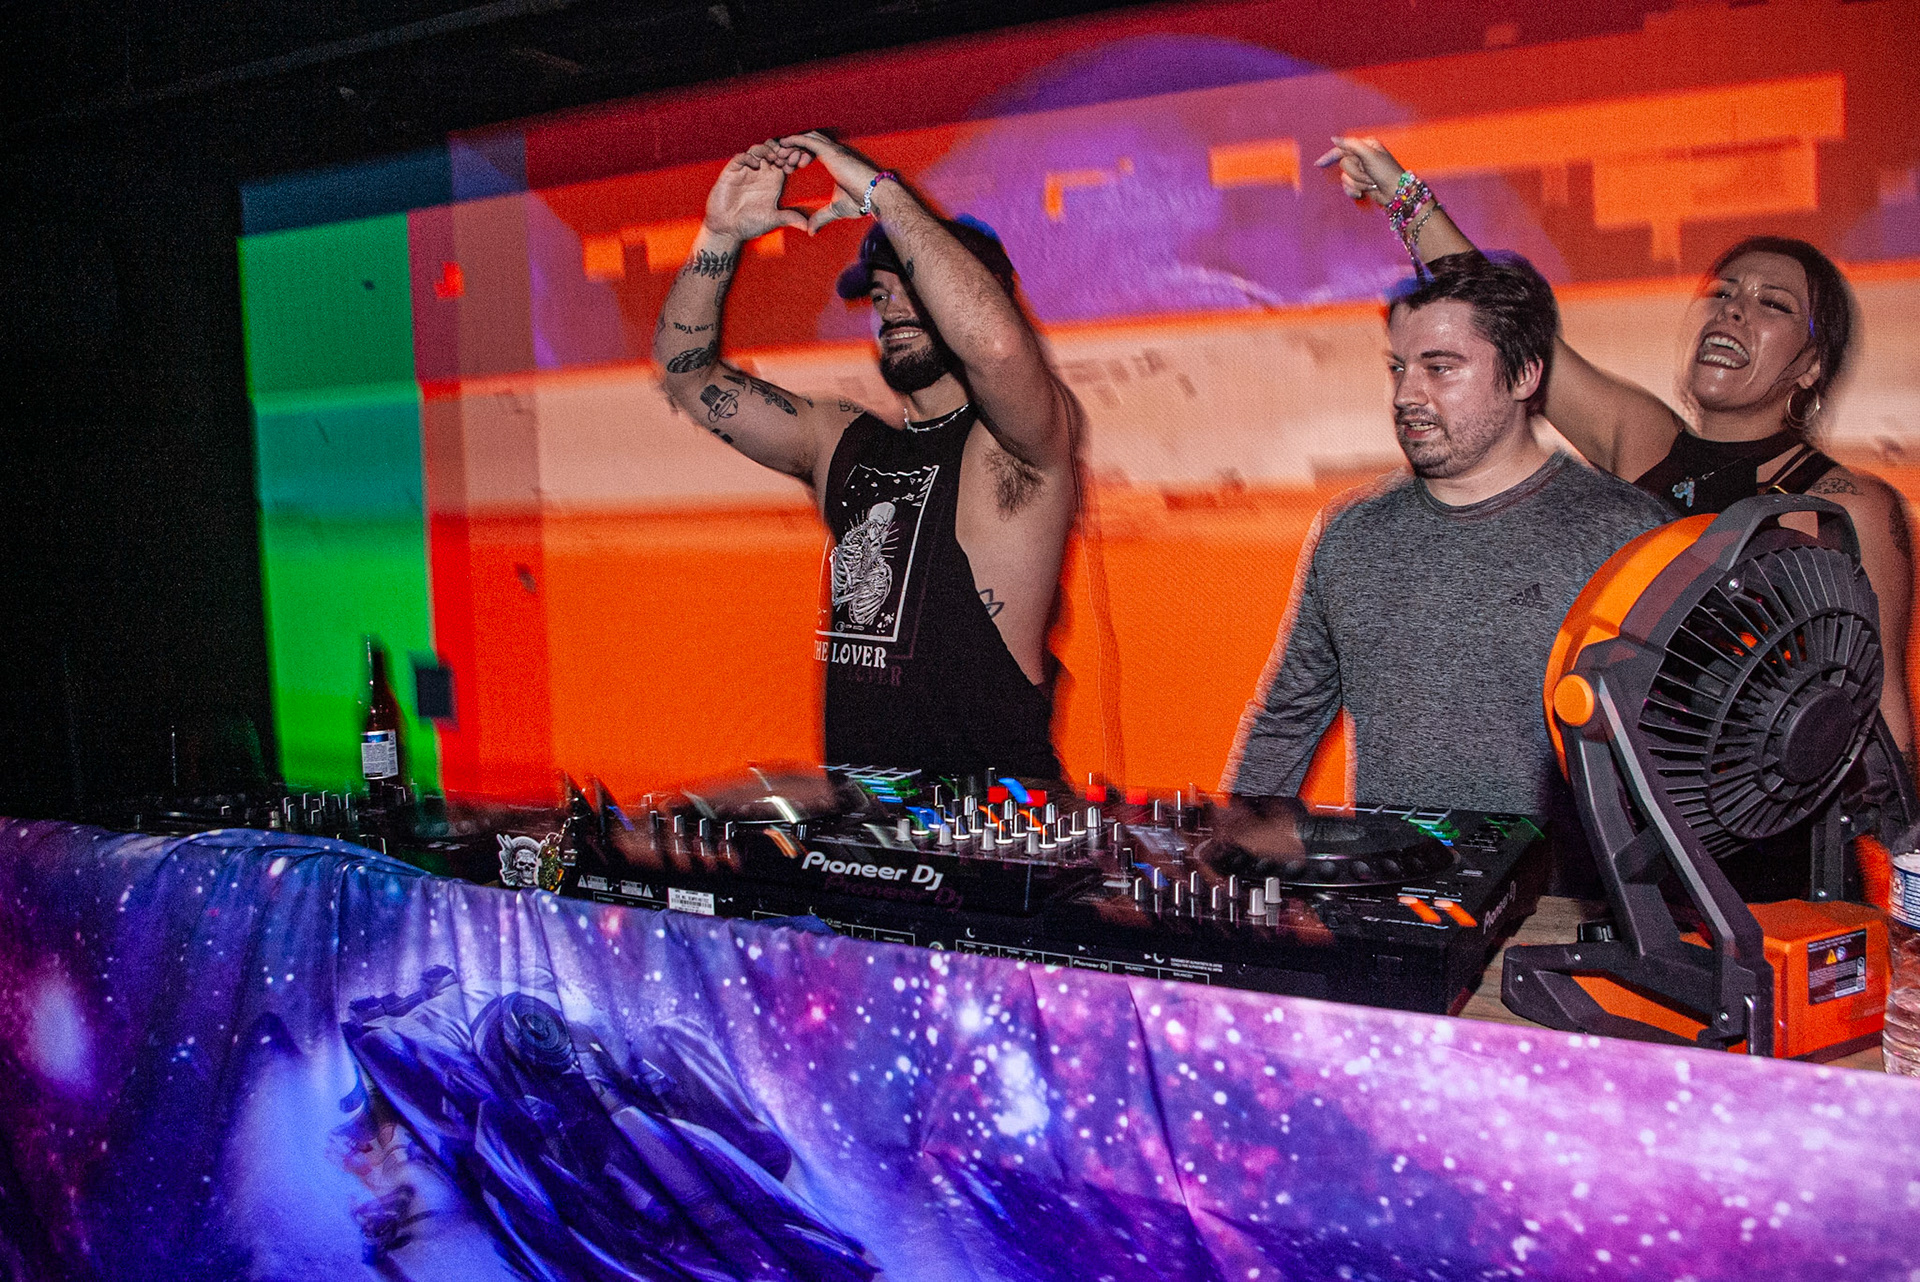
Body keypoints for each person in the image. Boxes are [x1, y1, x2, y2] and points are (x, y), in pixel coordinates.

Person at [1316, 136, 1915, 756]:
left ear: (1812, 365)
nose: (1733, 312)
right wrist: (1401, 192)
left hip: (1763, 808)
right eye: (1723, 293)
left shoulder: (1848, 507)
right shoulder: (1646, 442)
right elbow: (1499, 315)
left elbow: (1883, 716)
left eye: (1773, 305)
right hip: (1619, 799)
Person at [652, 134, 1079, 781]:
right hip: (862, 827)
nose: (892, 308)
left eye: (912, 285)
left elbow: (995, 349)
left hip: (989, 833)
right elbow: (687, 378)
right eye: (880, 296)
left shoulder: (1016, 443)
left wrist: (881, 192)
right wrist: (719, 236)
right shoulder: (841, 440)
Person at [1225, 252, 1672, 835]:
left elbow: (1686, 737)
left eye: (1439, 368)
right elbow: (1288, 718)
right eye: (1398, 367)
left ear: (1524, 375)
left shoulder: (1625, 534)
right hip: (1392, 883)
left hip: (1567, 890)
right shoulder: (1351, 534)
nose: (1406, 393)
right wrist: (1235, 848)